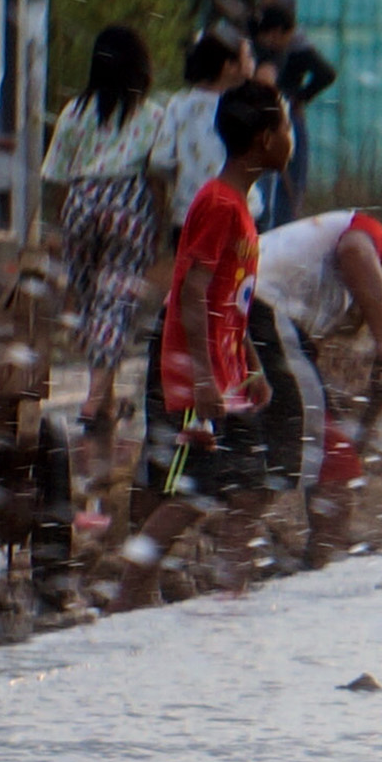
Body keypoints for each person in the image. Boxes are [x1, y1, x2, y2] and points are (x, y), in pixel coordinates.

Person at [114, 81, 292, 611]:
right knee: (187, 496)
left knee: (249, 488)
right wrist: (201, 378)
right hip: (195, 376)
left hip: (224, 371)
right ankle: (123, 603)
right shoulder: (217, 204)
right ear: (263, 139)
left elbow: (228, 301)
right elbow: (190, 292)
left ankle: (228, 600)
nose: (290, 139)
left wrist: (251, 365)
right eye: (284, 128)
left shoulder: (239, 208)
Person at [43, 24, 173, 483]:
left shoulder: (74, 112)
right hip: (128, 201)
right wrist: (156, 226)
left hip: (82, 200)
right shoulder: (153, 116)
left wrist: (67, 226)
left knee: (86, 298)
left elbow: (58, 175)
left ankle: (102, 389)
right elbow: (157, 177)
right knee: (115, 300)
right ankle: (95, 395)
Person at [250, 202, 382, 565]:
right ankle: (322, 558)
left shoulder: (302, 262)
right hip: (258, 313)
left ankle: (247, 558)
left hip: (235, 315)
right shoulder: (366, 231)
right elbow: (356, 250)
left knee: (289, 442)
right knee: (327, 450)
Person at [255, 0, 336, 216]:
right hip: (287, 114)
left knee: (271, 182)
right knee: (288, 181)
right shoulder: (294, 43)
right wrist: (299, 97)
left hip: (272, 114)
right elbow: (327, 74)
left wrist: (299, 98)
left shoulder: (265, 44)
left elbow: (327, 73)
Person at [160, 32, 242, 219]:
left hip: (189, 212)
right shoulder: (239, 106)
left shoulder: (177, 104)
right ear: (228, 67)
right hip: (237, 211)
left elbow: (160, 159)